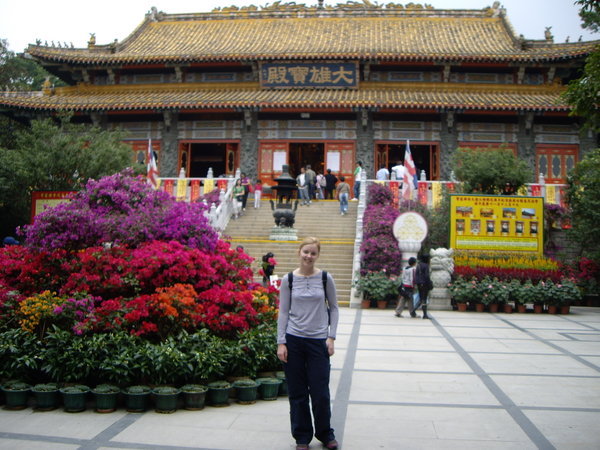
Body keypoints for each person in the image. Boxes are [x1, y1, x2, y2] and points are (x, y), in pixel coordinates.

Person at [277, 237, 339, 450]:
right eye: (306, 252)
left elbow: (334, 308)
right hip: (293, 340)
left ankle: (325, 433)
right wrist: (281, 342)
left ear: (317, 255)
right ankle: (302, 437)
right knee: (297, 392)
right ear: (299, 252)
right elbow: (283, 311)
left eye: (313, 253)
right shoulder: (288, 280)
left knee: (320, 391)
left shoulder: (324, 278)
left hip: (318, 341)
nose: (309, 256)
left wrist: (331, 336)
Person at [410, 254, 432, 319]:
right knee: (424, 298)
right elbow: (427, 276)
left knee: (421, 298)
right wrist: (429, 283)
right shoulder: (426, 266)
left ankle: (413, 311)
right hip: (424, 284)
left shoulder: (418, 265)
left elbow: (416, 275)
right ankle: (424, 314)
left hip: (419, 284)